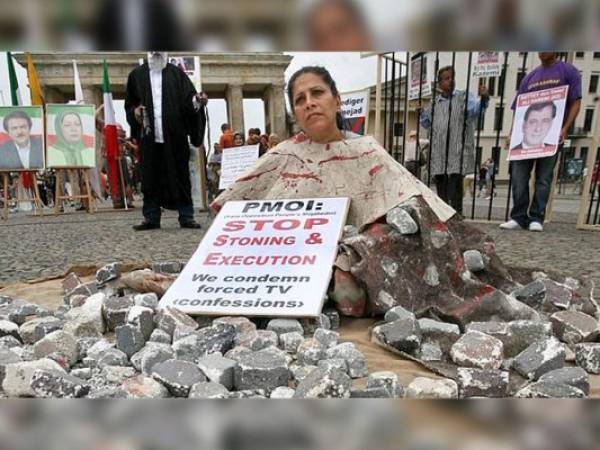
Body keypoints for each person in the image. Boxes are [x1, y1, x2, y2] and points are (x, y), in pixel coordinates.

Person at [500, 52, 582, 232]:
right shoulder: (529, 77)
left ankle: (537, 217)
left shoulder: (568, 71)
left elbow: (576, 102)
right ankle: (518, 217)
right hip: (525, 137)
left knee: (543, 178)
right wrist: (512, 133)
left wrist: (565, 128)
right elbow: (520, 110)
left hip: (552, 136)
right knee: (519, 176)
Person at [125, 51, 206, 230]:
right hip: (148, 136)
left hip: (174, 135)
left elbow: (189, 103)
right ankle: (151, 216)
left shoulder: (178, 75)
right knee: (149, 177)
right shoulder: (136, 75)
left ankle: (186, 215)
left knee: (181, 175)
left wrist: (198, 102)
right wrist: (135, 112)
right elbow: (130, 104)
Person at [419, 66, 489, 216]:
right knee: (441, 181)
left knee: (455, 181)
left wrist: (484, 98)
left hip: (457, 149)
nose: (450, 81)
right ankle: (443, 212)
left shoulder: (463, 97)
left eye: (452, 77)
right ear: (439, 83)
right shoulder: (435, 103)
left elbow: (476, 111)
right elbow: (426, 122)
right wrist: (420, 112)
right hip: (439, 149)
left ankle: (456, 212)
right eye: (446, 78)